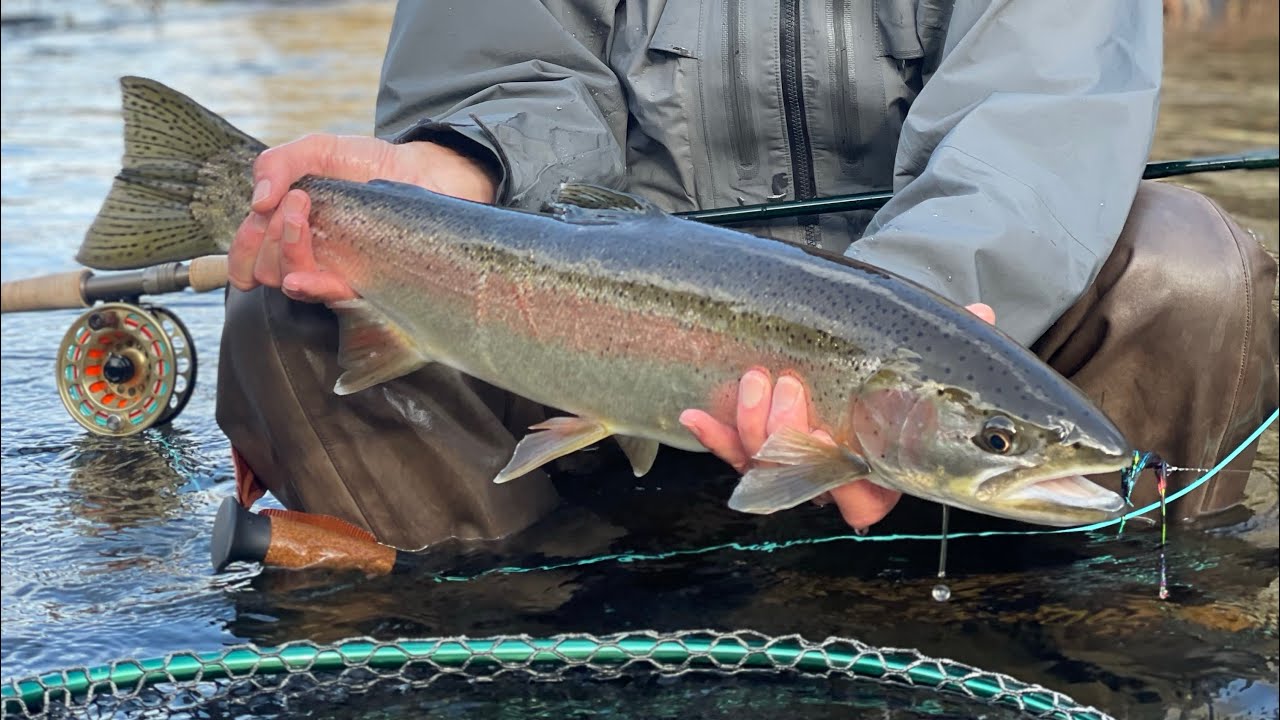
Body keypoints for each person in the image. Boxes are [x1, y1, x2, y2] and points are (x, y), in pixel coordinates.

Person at [216, 0, 1279, 550]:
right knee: (291, 302)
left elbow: (1036, 122)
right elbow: (510, 70)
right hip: (586, 327)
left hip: (967, 311)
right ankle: (484, 636)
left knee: (1190, 270)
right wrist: (459, 164)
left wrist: (874, 343)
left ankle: (1126, 629)